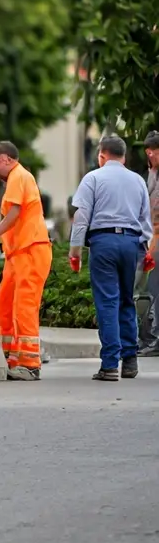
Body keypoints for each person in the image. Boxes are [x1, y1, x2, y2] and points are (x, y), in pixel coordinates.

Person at [69, 135, 153, 381]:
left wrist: (75, 251)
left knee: (107, 301)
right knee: (127, 299)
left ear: (101, 155)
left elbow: (82, 217)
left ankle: (109, 365)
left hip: (103, 242)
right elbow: (145, 221)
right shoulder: (138, 180)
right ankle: (130, 361)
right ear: (124, 156)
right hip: (131, 243)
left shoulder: (93, 178)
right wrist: (144, 250)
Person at [0, 140, 52, 381]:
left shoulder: (18, 176)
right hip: (18, 254)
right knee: (5, 305)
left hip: (31, 250)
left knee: (24, 307)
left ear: (7, 159)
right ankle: (10, 357)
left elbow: (14, 213)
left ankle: (29, 363)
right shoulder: (16, 178)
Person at [140, 131, 159, 356]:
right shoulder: (151, 174)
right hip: (152, 238)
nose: (151, 155)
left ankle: (154, 340)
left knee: (154, 290)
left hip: (156, 239)